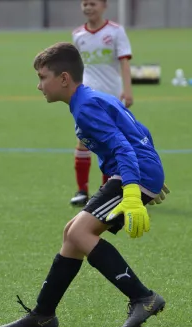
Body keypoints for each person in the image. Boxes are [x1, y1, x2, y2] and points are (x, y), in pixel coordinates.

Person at [0, 43, 168, 327]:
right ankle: (43, 314)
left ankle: (144, 297)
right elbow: (139, 130)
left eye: (42, 77)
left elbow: (122, 146)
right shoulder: (89, 99)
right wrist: (150, 170)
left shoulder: (86, 106)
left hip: (131, 175)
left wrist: (134, 188)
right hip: (135, 172)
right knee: (71, 233)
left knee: (79, 233)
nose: (39, 86)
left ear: (64, 78)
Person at [71, 0, 133, 206]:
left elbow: (124, 62)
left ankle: (109, 191)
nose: (88, 7)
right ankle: (82, 191)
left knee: (110, 143)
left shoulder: (116, 31)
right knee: (84, 141)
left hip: (111, 97)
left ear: (104, 5)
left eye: (93, 3)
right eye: (85, 3)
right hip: (86, 98)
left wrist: (128, 89)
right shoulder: (78, 34)